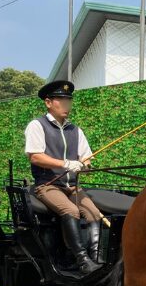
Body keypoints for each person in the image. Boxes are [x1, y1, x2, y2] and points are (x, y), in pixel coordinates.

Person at [24, 80, 102, 274]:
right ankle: (82, 260)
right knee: (71, 210)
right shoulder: (37, 125)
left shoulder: (76, 130)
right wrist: (66, 164)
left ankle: (97, 258)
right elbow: (35, 157)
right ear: (48, 103)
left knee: (94, 213)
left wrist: (86, 165)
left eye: (69, 101)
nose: (67, 105)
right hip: (48, 185)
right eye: (61, 100)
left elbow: (87, 157)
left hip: (72, 186)